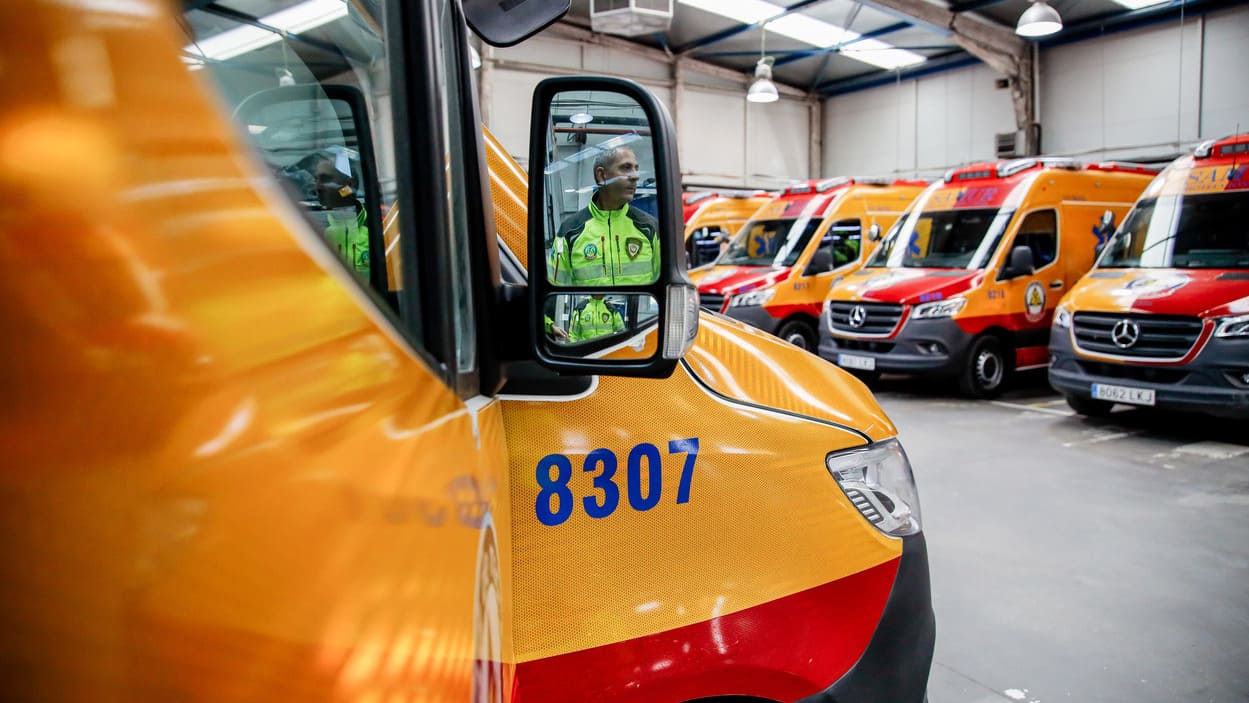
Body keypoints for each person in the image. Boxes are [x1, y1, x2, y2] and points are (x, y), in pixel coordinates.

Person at [548, 146, 660, 288]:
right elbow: (555, 291)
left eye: (635, 168)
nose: (635, 176)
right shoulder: (570, 231)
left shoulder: (649, 227)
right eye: (626, 168)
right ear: (601, 175)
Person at [310, 149, 370, 279]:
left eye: (325, 179)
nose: (317, 187)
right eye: (316, 180)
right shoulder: (312, 230)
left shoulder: (378, 224)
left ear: (349, 185)